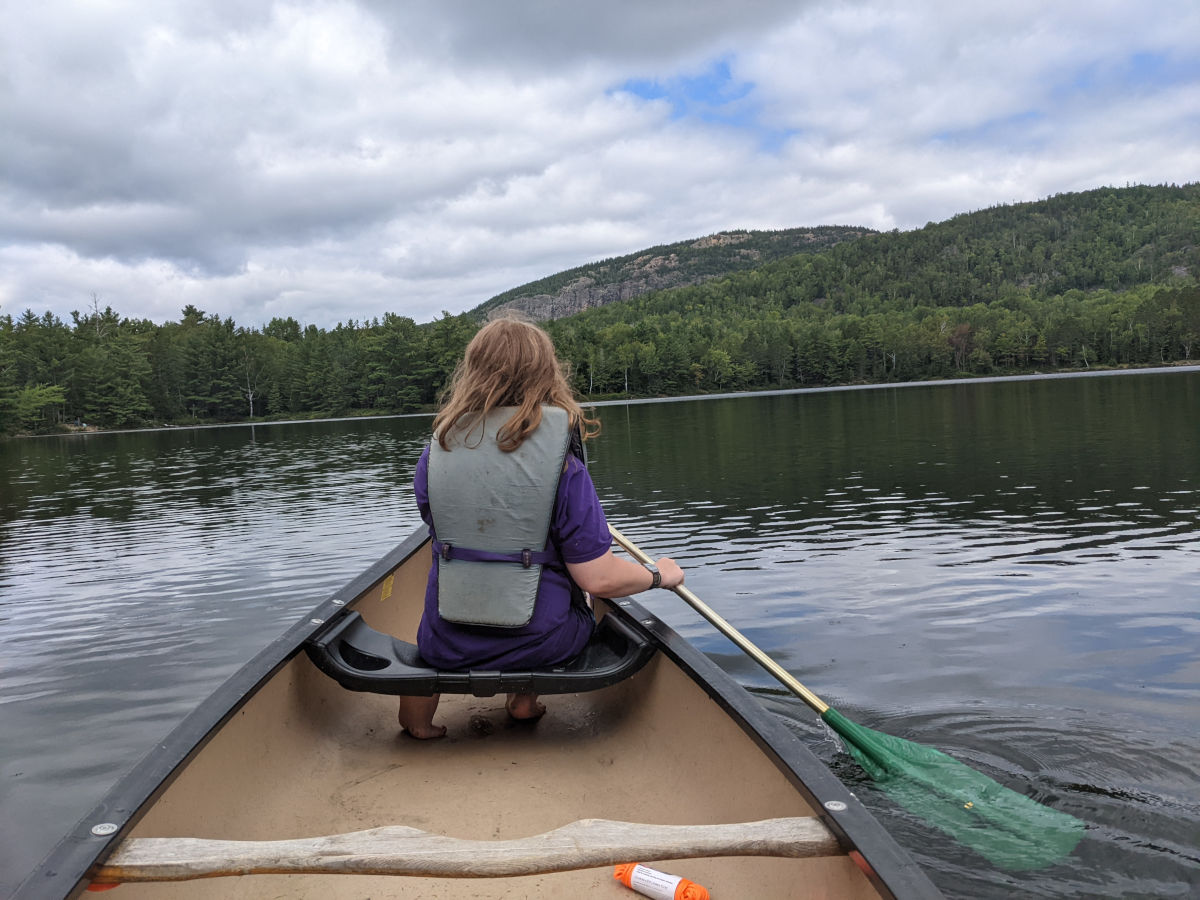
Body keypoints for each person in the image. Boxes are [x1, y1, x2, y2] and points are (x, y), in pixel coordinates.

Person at [399, 315, 684, 738]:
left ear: (472, 372)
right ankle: (524, 700)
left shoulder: (435, 455)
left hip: (446, 641)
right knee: (579, 598)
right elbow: (599, 578)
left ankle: (417, 722)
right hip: (543, 641)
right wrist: (659, 575)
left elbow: (437, 528)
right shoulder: (563, 467)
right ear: (546, 375)